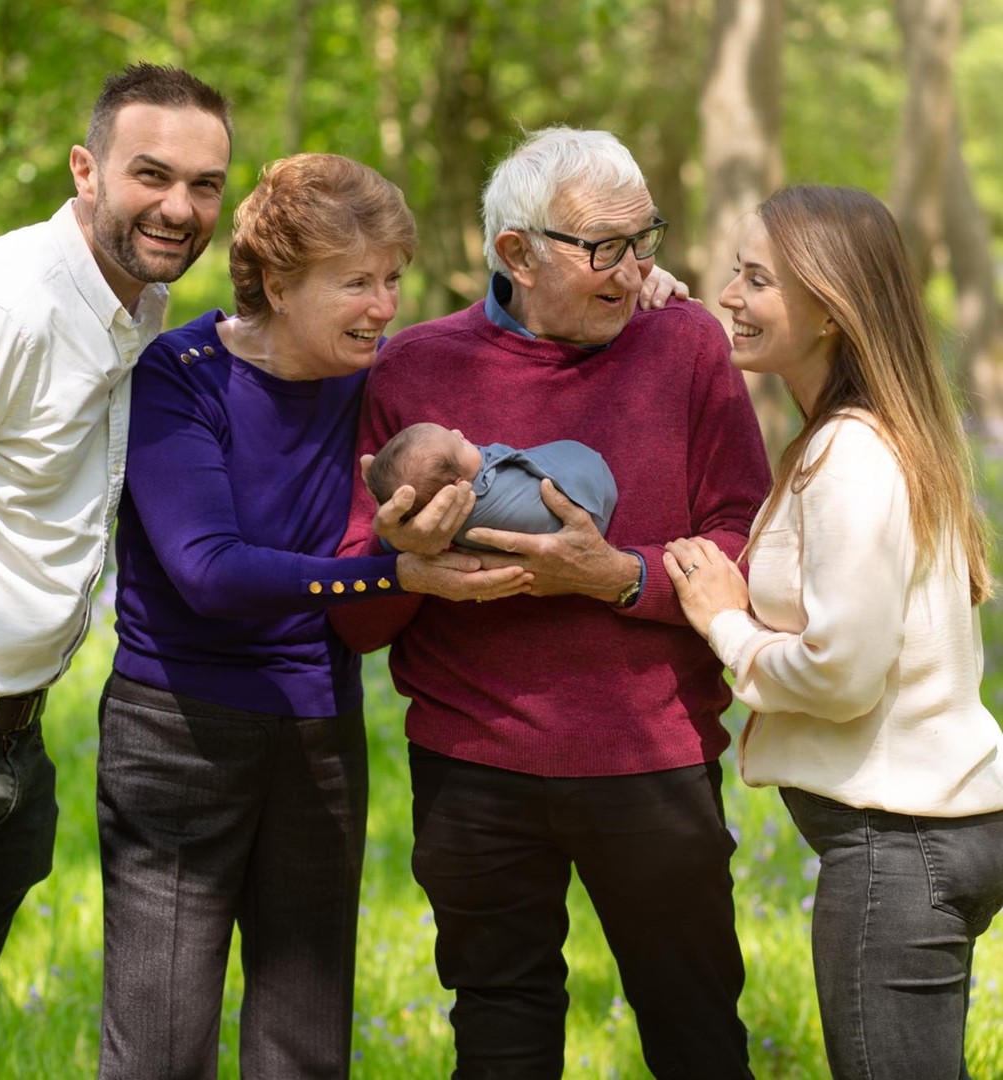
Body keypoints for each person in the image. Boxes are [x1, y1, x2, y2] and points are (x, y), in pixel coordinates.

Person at [332, 127, 771, 1079]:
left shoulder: (685, 343)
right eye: (602, 248)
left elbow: (746, 540)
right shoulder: (411, 370)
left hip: (651, 755)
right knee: (499, 1038)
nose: (632, 271)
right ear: (514, 254)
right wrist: (403, 561)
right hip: (472, 764)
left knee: (698, 1035)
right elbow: (358, 619)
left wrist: (616, 576)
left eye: (643, 241)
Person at [94, 153, 543, 1080]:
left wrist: (647, 286)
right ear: (278, 284)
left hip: (317, 730)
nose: (383, 306)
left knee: (305, 1046)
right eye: (355, 283)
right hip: (177, 733)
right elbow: (208, 573)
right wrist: (395, 579)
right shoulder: (182, 374)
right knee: (160, 1044)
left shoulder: (378, 383)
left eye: (391, 280)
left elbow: (512, 331)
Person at [0, 63, 232, 1079]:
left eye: (205, 185)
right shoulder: (0, 306)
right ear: (86, 170)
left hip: (10, 743)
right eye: (153, 175)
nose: (180, 208)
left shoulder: (136, 305)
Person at [663, 184, 1003, 1080]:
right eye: (734, 273)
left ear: (829, 308)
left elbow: (844, 673)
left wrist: (726, 626)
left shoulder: (853, 455)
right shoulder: (870, 436)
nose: (730, 295)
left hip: (900, 848)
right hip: (928, 834)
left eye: (757, 280)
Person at [365, 421, 619, 546]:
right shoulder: (480, 488)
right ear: (459, 484)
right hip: (593, 491)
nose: (459, 433)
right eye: (460, 444)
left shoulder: (449, 532)